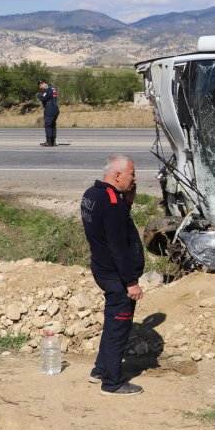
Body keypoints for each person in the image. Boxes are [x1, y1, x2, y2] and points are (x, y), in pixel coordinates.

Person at [81, 154, 146, 396]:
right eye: (132, 174)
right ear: (117, 175)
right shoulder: (113, 203)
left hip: (102, 269)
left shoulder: (92, 194)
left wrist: (126, 203)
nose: (135, 179)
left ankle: (100, 369)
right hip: (116, 276)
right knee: (119, 327)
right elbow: (118, 247)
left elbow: (108, 225)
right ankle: (112, 382)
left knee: (111, 323)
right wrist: (131, 282)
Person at [37, 79, 60, 147]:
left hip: (50, 109)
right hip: (55, 108)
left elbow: (44, 99)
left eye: (40, 85)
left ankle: (49, 142)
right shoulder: (53, 89)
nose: (40, 87)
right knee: (53, 125)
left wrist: (38, 95)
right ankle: (53, 142)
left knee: (48, 125)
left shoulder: (48, 90)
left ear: (44, 83)